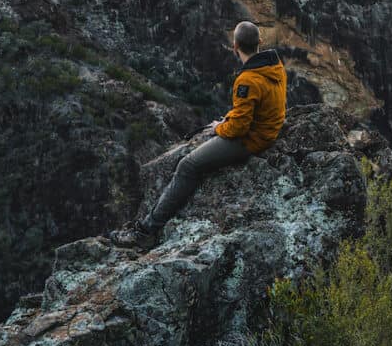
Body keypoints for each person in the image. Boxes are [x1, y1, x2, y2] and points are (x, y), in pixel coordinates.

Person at [107, 20, 287, 250]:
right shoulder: (274, 65)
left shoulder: (247, 80)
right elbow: (254, 107)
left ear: (235, 46)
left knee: (188, 165)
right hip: (267, 129)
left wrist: (219, 128)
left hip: (252, 139)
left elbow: (239, 128)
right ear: (260, 43)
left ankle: (148, 230)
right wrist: (230, 119)